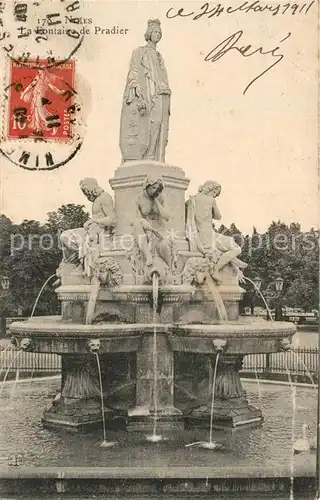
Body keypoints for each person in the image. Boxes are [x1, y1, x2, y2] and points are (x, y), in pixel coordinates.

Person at [119, 19, 171, 162]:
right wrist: (135, 85)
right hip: (148, 94)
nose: (158, 35)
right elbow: (134, 70)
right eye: (155, 32)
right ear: (149, 33)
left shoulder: (160, 57)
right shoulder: (139, 52)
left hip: (161, 93)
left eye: (159, 32)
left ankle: (153, 155)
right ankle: (146, 154)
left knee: (159, 123)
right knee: (149, 122)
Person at [185, 180, 247, 283]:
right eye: (215, 193)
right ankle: (217, 269)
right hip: (209, 235)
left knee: (229, 243)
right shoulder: (210, 200)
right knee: (236, 248)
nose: (214, 196)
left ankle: (232, 259)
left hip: (199, 235)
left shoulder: (191, 201)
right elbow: (218, 216)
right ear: (211, 189)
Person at [60, 178, 116, 276]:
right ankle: (70, 265)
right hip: (92, 229)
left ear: (92, 187)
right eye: (84, 192)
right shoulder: (96, 200)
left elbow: (112, 219)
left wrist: (94, 221)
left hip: (102, 232)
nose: (85, 194)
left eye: (86, 191)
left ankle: (78, 265)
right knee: (65, 236)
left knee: (68, 237)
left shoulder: (105, 197)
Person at [132, 173, 174, 273]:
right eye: (153, 187)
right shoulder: (138, 198)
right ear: (147, 185)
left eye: (157, 188)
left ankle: (169, 268)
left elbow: (167, 216)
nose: (155, 190)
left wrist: (156, 201)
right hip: (146, 230)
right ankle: (148, 255)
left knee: (165, 244)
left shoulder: (160, 197)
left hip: (159, 229)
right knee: (137, 225)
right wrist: (142, 221)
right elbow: (132, 218)